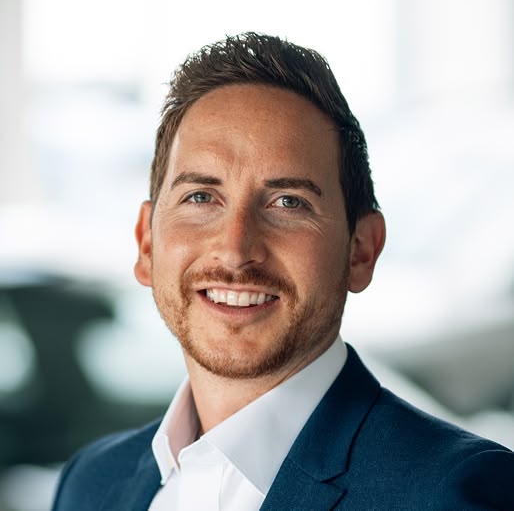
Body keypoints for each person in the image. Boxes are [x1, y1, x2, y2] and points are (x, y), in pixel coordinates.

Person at [52, 32, 514, 510]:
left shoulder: (455, 492)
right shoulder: (91, 484)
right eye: (201, 197)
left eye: (288, 202)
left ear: (361, 250)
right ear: (147, 243)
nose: (235, 250)